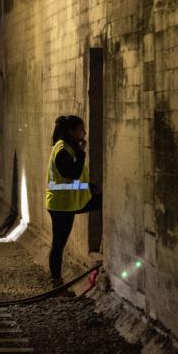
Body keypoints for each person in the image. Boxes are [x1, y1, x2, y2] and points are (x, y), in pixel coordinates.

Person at [46, 115, 102, 287]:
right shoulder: (63, 149)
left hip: (70, 202)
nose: (84, 133)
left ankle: (103, 247)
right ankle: (56, 281)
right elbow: (72, 173)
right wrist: (81, 152)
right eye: (81, 130)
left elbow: (74, 178)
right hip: (62, 205)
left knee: (103, 201)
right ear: (71, 131)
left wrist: (90, 187)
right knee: (58, 244)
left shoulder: (69, 148)